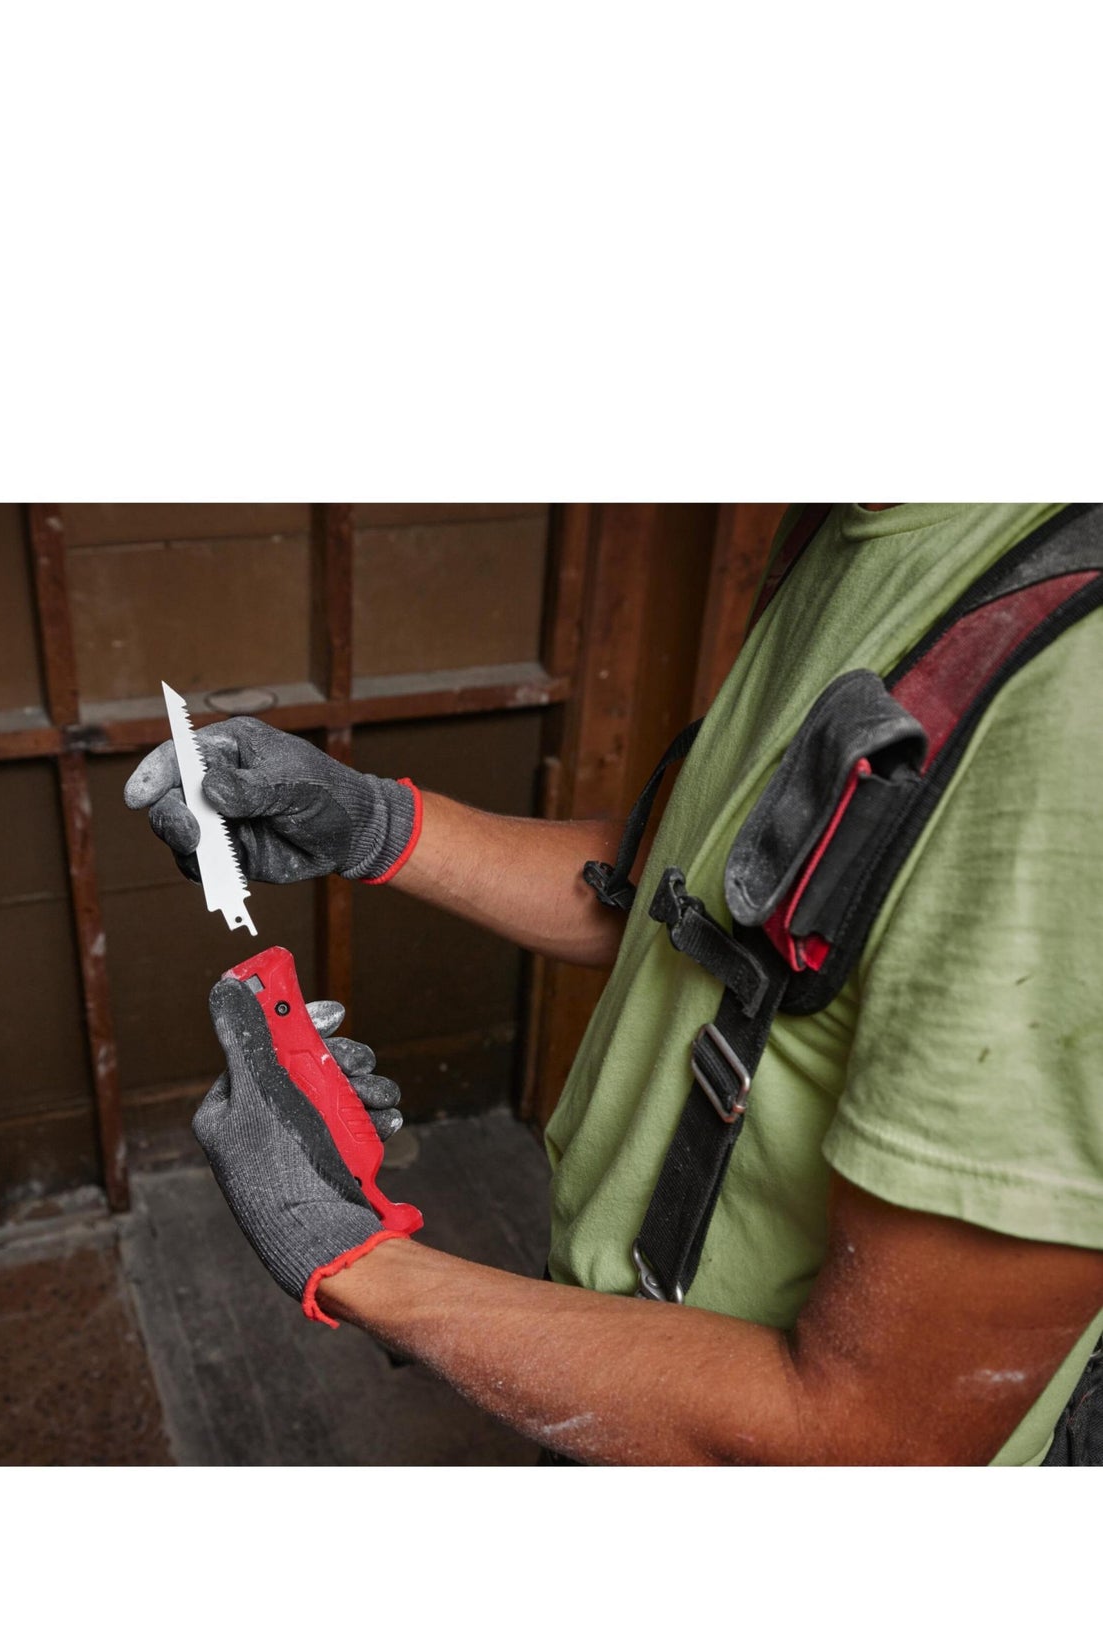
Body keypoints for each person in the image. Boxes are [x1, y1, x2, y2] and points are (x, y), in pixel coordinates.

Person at [125, 504, 1103, 1465]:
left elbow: (867, 1443)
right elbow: (699, 902)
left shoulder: (1069, 702)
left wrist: (341, 1251)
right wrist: (373, 824)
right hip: (614, 1363)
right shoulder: (842, 524)